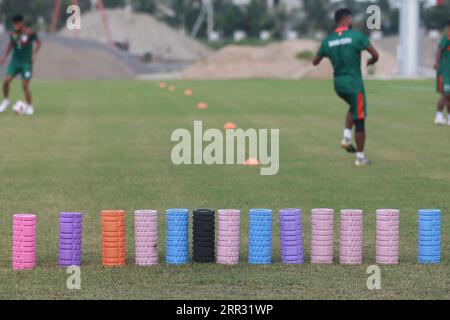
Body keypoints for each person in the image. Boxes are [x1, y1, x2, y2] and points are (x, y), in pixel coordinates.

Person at [312, 8, 379, 166]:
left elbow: (315, 61)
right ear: (347, 20)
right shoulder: (357, 36)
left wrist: (330, 54)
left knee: (353, 107)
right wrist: (370, 62)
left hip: (338, 84)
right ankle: (360, 158)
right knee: (360, 119)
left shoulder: (328, 40)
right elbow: (376, 55)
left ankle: (346, 137)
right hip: (354, 83)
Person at [0, 14, 41, 115]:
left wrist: (35, 54)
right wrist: (4, 56)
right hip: (15, 62)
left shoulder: (30, 33)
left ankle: (30, 106)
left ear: (22, 23)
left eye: (18, 23)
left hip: (26, 63)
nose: (16, 25)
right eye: (14, 24)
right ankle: (6, 101)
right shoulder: (13, 33)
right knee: (6, 81)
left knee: (25, 85)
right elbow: (11, 44)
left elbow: (39, 43)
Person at [434, 20, 450, 126]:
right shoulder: (447, 37)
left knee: (448, 95)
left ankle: (448, 119)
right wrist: (436, 63)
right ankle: (438, 117)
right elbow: (439, 49)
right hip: (445, 71)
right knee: (446, 95)